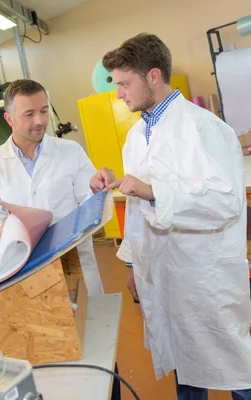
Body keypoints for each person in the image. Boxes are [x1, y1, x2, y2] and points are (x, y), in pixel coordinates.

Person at [90, 33, 251, 399]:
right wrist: (131, 265)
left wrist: (151, 190)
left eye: (124, 83)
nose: (119, 93)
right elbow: (135, 208)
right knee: (184, 361)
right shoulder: (136, 135)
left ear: (153, 76)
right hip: (162, 274)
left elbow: (225, 203)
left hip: (204, 277)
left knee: (235, 369)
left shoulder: (203, 127)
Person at [0, 79, 105, 296]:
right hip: (24, 263)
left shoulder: (70, 150)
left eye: (44, 111)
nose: (40, 120)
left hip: (73, 257)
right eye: (29, 114)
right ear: (9, 119)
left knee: (90, 323)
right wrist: (8, 234)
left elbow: (91, 203)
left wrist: (97, 189)